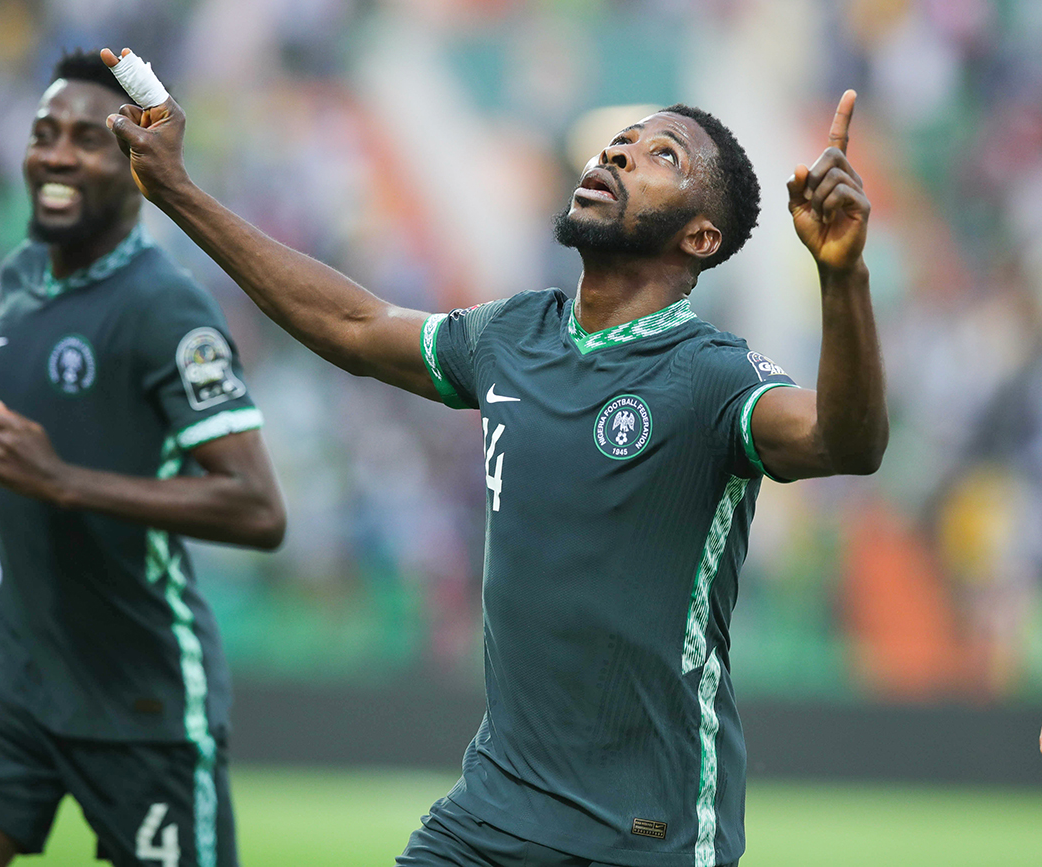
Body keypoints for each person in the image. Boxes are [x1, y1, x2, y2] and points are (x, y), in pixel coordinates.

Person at [103, 46, 885, 867]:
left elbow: (847, 441)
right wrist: (178, 191)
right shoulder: (513, 335)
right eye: (620, 140)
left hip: (646, 830)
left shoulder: (712, 374)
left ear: (701, 235)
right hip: (494, 809)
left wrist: (843, 279)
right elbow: (354, 327)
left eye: (663, 155)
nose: (618, 152)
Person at [0, 51, 285, 867]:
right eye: (43, 133)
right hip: (12, 668)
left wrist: (64, 483)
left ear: (135, 164)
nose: (56, 155)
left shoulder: (167, 308)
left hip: (140, 694)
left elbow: (258, 507)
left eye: (88, 140)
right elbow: (44, 446)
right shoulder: (23, 278)